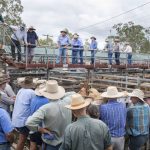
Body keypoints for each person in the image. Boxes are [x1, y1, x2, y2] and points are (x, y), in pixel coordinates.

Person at [26, 80, 75, 150]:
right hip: (66, 142)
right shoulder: (67, 102)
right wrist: (60, 95)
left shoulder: (45, 108)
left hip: (51, 143)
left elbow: (29, 122)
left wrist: (40, 129)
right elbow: (73, 93)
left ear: (46, 94)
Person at [12, 76, 35, 150]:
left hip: (17, 117)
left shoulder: (21, 90)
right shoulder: (31, 92)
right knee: (22, 139)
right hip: (23, 119)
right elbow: (33, 106)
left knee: (22, 138)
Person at [29, 83, 49, 150]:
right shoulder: (46, 101)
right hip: (41, 127)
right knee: (41, 146)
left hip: (33, 125)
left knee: (33, 145)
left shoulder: (34, 98)